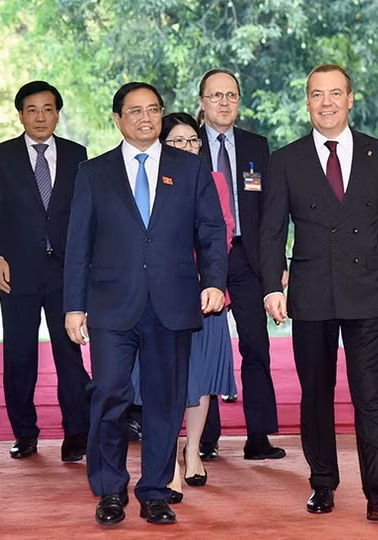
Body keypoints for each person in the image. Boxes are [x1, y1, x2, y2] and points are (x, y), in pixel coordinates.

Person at [63, 82, 227, 526]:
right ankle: (110, 490)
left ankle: (154, 490)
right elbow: (78, 244)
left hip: (172, 303)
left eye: (153, 109)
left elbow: (211, 230)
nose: (145, 118)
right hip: (111, 306)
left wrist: (214, 281)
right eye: (134, 111)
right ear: (117, 119)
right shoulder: (94, 173)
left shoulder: (190, 169)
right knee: (111, 395)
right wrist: (73, 307)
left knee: (164, 402)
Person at [260, 64, 378, 521]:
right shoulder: (285, 159)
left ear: (350, 99)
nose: (326, 103)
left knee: (370, 393)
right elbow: (271, 232)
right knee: (316, 395)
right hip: (309, 293)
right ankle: (322, 483)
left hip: (366, 290)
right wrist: (271, 287)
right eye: (316, 94)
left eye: (334, 94)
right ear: (307, 102)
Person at [0, 81, 92, 461]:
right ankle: (24, 432)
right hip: (17, 273)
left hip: (66, 273)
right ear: (21, 115)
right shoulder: (1, 156)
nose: (40, 116)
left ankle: (77, 432)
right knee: (19, 355)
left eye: (48, 109)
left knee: (69, 354)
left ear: (57, 113)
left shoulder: (78, 154)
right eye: (32, 110)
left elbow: (86, 214)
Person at [129, 112, 237, 502]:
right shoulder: (145, 177)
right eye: (177, 142)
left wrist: (209, 279)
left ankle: (193, 451)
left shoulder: (215, 179)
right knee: (169, 380)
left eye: (193, 142)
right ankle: (168, 461)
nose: (188, 148)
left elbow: (221, 233)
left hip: (205, 292)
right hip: (159, 292)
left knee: (201, 379)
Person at [197, 68, 285, 461]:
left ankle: (259, 436)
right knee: (206, 350)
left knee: (256, 347)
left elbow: (270, 213)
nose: (224, 102)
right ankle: (207, 437)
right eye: (215, 96)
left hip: (248, 259)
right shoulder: (185, 143)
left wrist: (275, 266)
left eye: (230, 95)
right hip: (202, 262)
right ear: (202, 102)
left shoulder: (256, 145)